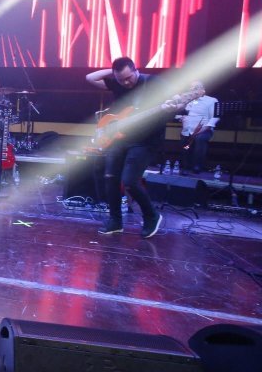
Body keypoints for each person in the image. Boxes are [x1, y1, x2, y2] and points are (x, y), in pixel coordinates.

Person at [85, 57, 178, 238]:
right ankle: (115, 221)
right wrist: (114, 74)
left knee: (129, 181)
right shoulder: (117, 83)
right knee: (110, 178)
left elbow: (176, 100)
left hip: (145, 140)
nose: (126, 83)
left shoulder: (153, 82)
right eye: (122, 79)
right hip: (120, 138)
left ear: (136, 70)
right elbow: (90, 78)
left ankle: (152, 216)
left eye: (129, 77)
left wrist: (173, 105)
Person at [176, 81, 219, 174]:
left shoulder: (211, 100)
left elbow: (215, 116)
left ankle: (197, 166)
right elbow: (178, 113)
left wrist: (207, 127)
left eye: (196, 88)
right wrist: (180, 118)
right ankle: (186, 166)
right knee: (184, 142)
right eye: (191, 88)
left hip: (204, 130)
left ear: (203, 90)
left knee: (200, 139)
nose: (193, 90)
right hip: (188, 130)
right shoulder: (187, 100)